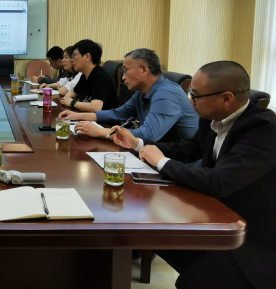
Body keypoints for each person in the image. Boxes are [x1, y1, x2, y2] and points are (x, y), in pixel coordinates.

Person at [111, 61, 276, 289]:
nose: (190, 101)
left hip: (250, 238)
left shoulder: (262, 129)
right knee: (149, 233)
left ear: (227, 98)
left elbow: (218, 182)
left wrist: (161, 162)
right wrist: (138, 144)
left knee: (192, 281)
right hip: (215, 214)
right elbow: (190, 149)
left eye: (195, 95)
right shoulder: (212, 116)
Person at [59, 48, 198, 141]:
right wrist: (77, 116)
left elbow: (148, 135)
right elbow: (118, 113)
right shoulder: (142, 91)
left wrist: (100, 132)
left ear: (144, 69)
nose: (123, 77)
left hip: (180, 164)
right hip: (157, 154)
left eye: (126, 70)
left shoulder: (166, 94)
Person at [60, 39, 119, 112]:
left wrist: (72, 102)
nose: (72, 60)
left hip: (105, 119)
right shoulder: (84, 75)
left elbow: (95, 108)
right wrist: (67, 98)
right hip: (87, 116)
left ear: (87, 57)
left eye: (74, 55)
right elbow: (73, 93)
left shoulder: (101, 78)